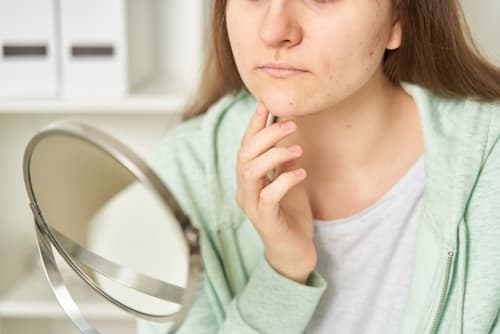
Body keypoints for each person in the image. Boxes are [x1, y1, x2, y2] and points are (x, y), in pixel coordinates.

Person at [139, 0, 500, 333]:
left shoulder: (490, 159)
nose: (273, 30)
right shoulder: (178, 175)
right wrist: (281, 276)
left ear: (398, 17)